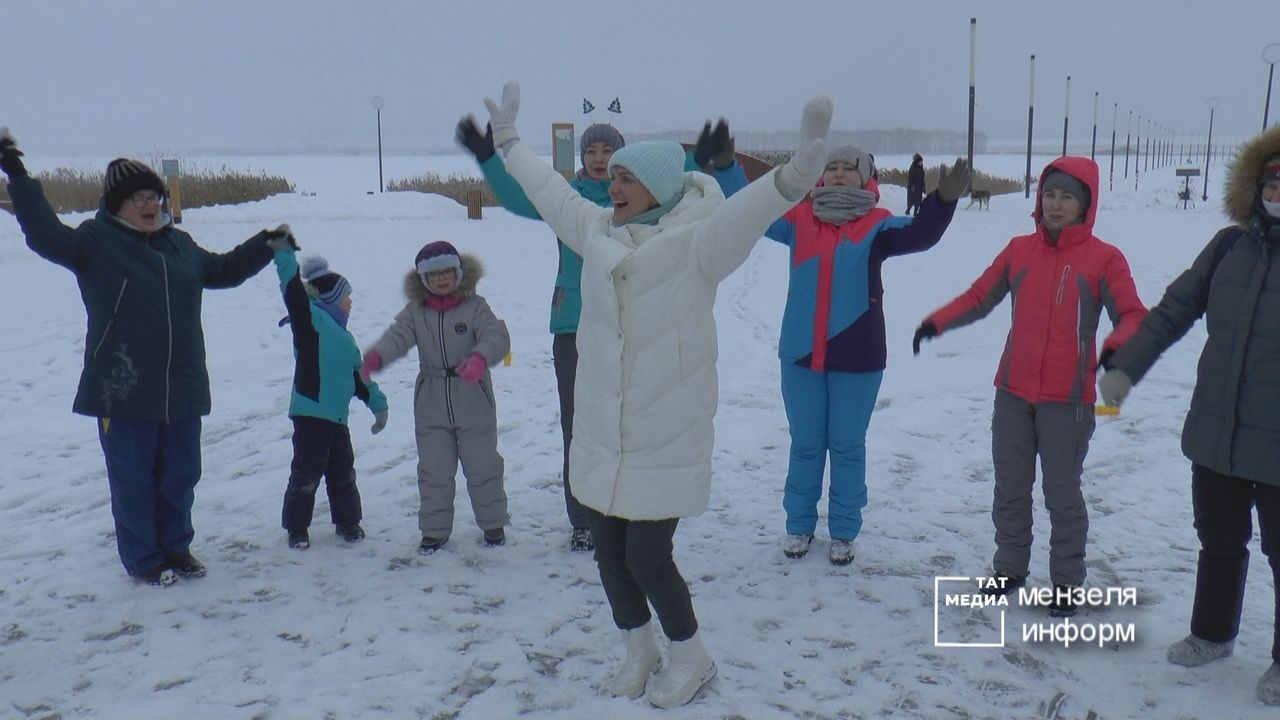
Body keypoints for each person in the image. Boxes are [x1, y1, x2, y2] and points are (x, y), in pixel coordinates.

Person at [477, 81, 832, 708]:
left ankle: (691, 655)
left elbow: (752, 209)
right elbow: (549, 191)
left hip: (664, 431)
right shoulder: (596, 229)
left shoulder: (697, 244)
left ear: (660, 190)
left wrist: (800, 170)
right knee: (609, 552)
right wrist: (508, 141)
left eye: (625, 181)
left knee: (648, 554)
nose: (611, 189)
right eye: (611, 179)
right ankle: (639, 648)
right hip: (603, 428)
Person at [0, 129, 281, 586]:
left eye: (154, 196)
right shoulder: (95, 243)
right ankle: (145, 559)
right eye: (138, 199)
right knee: (134, 482)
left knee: (182, 475)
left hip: (182, 386)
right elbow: (46, 234)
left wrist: (266, 243)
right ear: (117, 206)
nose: (150, 205)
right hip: (122, 388)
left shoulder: (180, 246)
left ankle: (176, 548)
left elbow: (223, 270)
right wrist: (17, 174)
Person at [456, 115, 742, 553]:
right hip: (574, 322)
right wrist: (488, 157)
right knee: (580, 424)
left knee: (635, 423)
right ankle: (586, 517)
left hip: (636, 327)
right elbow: (522, 194)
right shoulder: (575, 199)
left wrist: (702, 160)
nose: (598, 159)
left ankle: (633, 505)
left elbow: (681, 195)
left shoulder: (644, 198)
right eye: (591, 151)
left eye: (609, 153)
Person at [913, 156, 1147, 616]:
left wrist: (1118, 348)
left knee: (1062, 494)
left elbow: (1133, 315)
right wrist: (937, 322)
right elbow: (980, 297)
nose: (1056, 205)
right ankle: (1010, 566)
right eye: (1050, 195)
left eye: (1068, 197)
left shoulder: (1104, 259)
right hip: (1014, 393)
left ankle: (1065, 582)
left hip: (1068, 401)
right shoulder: (1020, 250)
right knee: (1010, 488)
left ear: (1086, 206)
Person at [1097, 125, 1280, 706]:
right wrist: (1126, 369)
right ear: (1256, 186)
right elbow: (1173, 310)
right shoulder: (1229, 247)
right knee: (1219, 538)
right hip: (1217, 429)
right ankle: (1212, 632)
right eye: (1273, 179)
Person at [742, 145, 969, 565]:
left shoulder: (877, 225)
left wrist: (944, 201)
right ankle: (799, 525)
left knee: (846, 445)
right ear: (820, 177)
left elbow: (921, 234)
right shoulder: (798, 220)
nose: (840, 174)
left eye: (850, 168)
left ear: (866, 179)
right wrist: (723, 169)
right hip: (800, 355)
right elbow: (750, 210)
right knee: (806, 445)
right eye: (833, 167)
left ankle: (844, 530)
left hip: (858, 356)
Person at [361, 241, 510, 555]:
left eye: (447, 273)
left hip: (473, 398)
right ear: (423, 280)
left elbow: (496, 335)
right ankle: (434, 531)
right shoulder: (417, 312)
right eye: (434, 275)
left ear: (458, 273)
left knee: (483, 465)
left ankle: (493, 524)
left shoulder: (475, 306)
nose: (442, 280)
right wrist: (376, 357)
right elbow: (398, 337)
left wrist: (480, 359)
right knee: (434, 470)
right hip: (431, 400)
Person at [268, 238, 389, 551]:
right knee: (306, 474)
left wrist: (378, 405)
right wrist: (284, 257)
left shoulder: (345, 339)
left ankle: (348, 522)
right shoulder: (312, 322)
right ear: (333, 299)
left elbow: (359, 379)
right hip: (310, 414)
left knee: (342, 472)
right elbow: (293, 292)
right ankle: (297, 528)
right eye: (347, 296)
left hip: (337, 419)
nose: (351, 302)